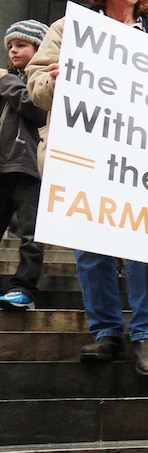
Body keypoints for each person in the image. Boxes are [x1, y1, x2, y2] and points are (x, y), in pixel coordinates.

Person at [26, 0, 148, 376]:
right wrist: (55, 80)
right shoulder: (69, 29)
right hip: (86, 151)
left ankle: (146, 332)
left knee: (146, 240)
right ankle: (106, 332)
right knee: (90, 243)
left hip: (146, 157)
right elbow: (36, 86)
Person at [0, 20, 49, 311]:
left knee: (31, 233)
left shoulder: (40, 79)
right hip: (3, 164)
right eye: (10, 46)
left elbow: (36, 109)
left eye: (21, 45)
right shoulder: (8, 79)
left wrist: (6, 81)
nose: (13, 51)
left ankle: (24, 288)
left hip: (29, 165)